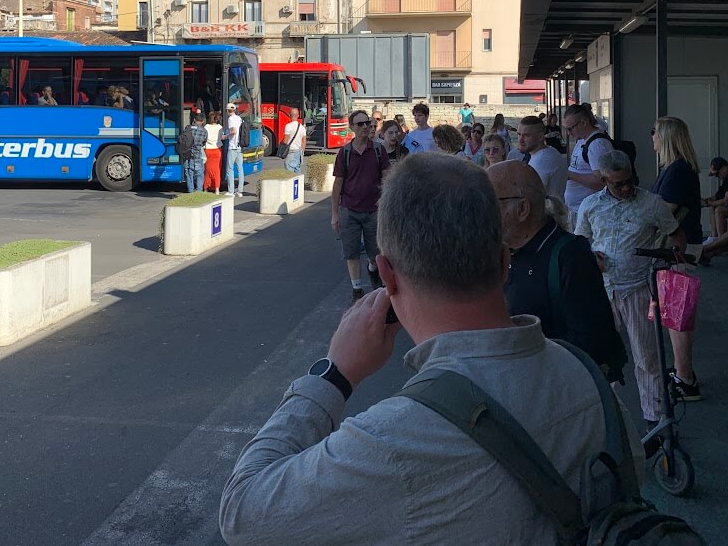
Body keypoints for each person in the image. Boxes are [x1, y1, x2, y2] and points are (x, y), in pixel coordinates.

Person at [220, 154, 640, 544]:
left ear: (386, 274)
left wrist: (334, 375)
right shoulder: (588, 379)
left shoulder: (396, 439)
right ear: (504, 262)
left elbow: (242, 512)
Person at [575, 149, 686, 442]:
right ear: (604, 180)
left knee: (646, 357)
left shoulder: (652, 203)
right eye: (618, 184)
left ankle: (655, 420)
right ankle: (604, 418)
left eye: (629, 181)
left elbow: (676, 236)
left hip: (638, 288)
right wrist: (590, 257)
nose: (626, 188)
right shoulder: (590, 205)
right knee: (601, 357)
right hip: (602, 290)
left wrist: (670, 261)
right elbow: (581, 242)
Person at [489, 161, 626, 381]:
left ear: (522, 209)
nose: (481, 212)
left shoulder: (571, 255)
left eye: (489, 202)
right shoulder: (501, 252)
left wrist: (516, 350)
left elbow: (592, 342)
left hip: (560, 390)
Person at [649, 116, 705, 400]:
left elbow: (665, 210)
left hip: (678, 248)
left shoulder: (678, 170)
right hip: (680, 247)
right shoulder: (675, 168)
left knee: (676, 314)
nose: (652, 137)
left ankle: (685, 379)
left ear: (666, 137)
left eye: (654, 132)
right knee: (673, 313)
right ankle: (684, 372)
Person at [331, 110, 389, 300]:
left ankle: (372, 269)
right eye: (360, 124)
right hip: (349, 209)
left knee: (376, 254)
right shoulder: (345, 152)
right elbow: (338, 184)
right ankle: (357, 289)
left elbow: (386, 179)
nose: (365, 127)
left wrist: (387, 207)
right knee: (351, 252)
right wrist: (335, 214)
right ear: (352, 127)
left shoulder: (378, 150)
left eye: (367, 123)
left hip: (374, 210)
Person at [563, 103, 614, 213]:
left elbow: (601, 182)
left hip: (590, 211)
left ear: (584, 122)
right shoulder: (582, 140)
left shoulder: (597, 144)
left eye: (570, 129)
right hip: (579, 209)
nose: (568, 133)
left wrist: (570, 175)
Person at [515, 115, 567, 201]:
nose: (520, 140)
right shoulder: (549, 152)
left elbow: (531, 197)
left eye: (526, 136)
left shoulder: (541, 161)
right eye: (519, 134)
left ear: (540, 137)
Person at [224, 102, 245, 197]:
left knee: (230, 169)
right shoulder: (239, 118)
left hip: (232, 146)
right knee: (240, 168)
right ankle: (240, 191)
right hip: (240, 146)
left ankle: (231, 191)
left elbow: (234, 131)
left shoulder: (231, 119)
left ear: (227, 111)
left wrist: (226, 136)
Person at [183, 110, 208, 193]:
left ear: (194, 119)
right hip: (197, 154)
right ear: (203, 121)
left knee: (188, 172)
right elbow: (204, 142)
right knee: (200, 172)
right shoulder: (204, 131)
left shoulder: (188, 128)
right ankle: (199, 190)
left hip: (187, 153)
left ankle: (191, 190)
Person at [203, 111, 223, 193]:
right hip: (217, 150)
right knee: (217, 170)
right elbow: (221, 138)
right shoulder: (220, 127)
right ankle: (217, 188)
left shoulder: (206, 127)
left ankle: (206, 188)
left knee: (207, 170)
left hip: (208, 150)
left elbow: (204, 138)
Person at [281, 109, 306, 175]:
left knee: (289, 169)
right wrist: (302, 152)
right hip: (299, 151)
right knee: (297, 169)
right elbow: (304, 142)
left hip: (291, 151)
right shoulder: (302, 127)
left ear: (289, 115)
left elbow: (285, 141)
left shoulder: (288, 126)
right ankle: (299, 181)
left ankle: (291, 181)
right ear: (298, 115)